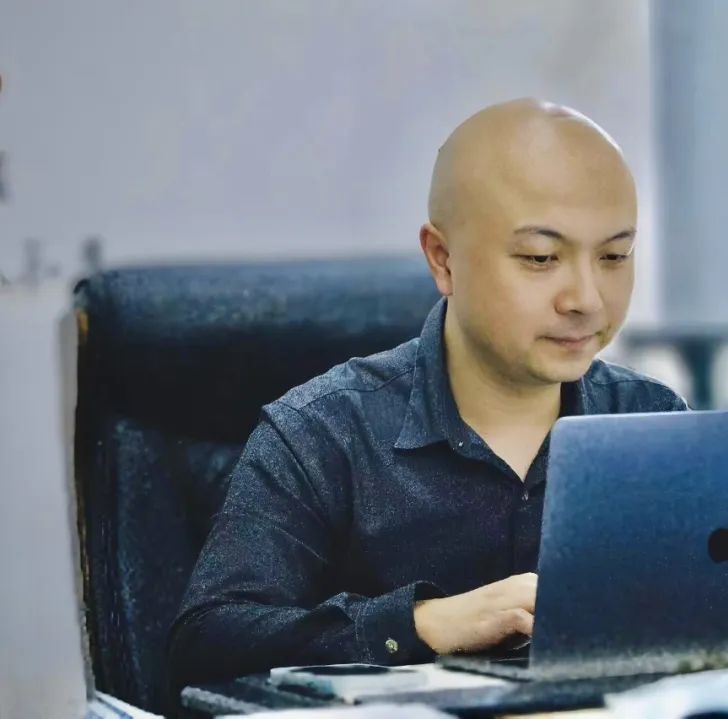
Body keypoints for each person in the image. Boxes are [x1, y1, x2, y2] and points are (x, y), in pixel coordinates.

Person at [167, 98, 687, 693]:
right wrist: (422, 624)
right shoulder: (322, 433)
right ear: (443, 260)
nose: (587, 300)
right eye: (541, 258)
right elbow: (209, 643)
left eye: (614, 256)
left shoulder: (653, 424)